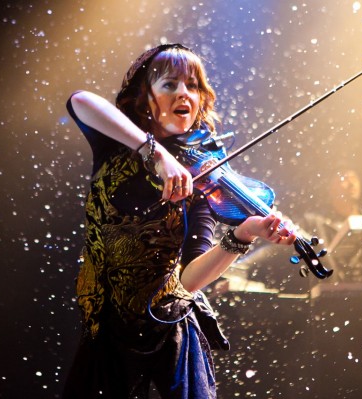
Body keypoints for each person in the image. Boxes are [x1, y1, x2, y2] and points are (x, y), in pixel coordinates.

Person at [62, 43, 296, 399]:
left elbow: (188, 280)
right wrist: (153, 151)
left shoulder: (202, 180)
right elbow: (79, 101)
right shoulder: (117, 146)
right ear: (144, 99)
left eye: (193, 86)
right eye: (169, 84)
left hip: (172, 330)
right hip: (107, 329)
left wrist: (244, 234)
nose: (184, 93)